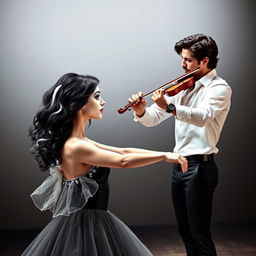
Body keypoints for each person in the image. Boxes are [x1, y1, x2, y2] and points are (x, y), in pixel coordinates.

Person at [22, 73, 188, 256]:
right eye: (97, 96)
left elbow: (123, 152)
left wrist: (165, 154)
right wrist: (164, 157)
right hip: (86, 225)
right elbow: (122, 161)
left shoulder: (80, 141)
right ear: (79, 102)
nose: (103, 102)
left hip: (91, 221)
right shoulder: (75, 146)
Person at [128, 34, 232, 256]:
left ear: (204, 60)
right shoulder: (185, 86)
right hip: (180, 165)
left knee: (199, 235)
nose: (182, 64)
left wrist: (170, 108)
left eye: (187, 60)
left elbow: (203, 116)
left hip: (200, 168)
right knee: (186, 233)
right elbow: (153, 119)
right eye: (182, 59)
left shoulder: (219, 88)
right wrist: (141, 110)